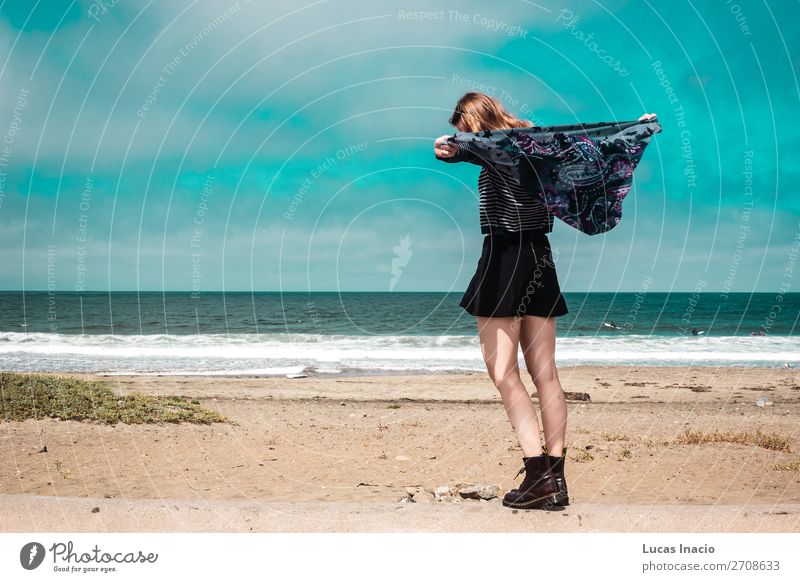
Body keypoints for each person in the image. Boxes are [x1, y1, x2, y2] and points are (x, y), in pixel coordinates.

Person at [434, 91, 656, 510]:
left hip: (505, 256)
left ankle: (538, 474)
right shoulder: (540, 149)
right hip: (540, 257)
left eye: (461, 124)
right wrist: (634, 127)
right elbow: (595, 143)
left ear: (473, 119)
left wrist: (450, 147)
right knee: (546, 376)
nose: (458, 132)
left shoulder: (498, 148)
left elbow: (462, 148)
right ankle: (556, 479)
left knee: (502, 373)